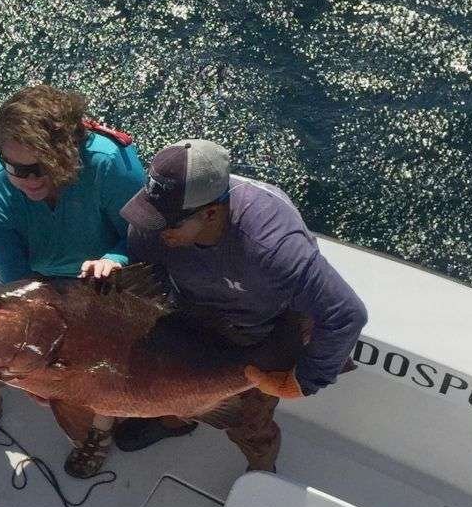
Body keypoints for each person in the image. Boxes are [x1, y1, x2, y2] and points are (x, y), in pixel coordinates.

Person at [117, 139, 368, 472]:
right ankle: (175, 421)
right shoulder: (152, 227)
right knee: (159, 382)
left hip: (266, 326)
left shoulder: (270, 247)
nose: (152, 227)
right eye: (149, 214)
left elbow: (346, 313)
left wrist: (304, 381)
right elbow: (148, 281)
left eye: (168, 222)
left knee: (249, 422)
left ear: (210, 212)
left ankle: (261, 466)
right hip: (195, 313)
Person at [0, 84, 148, 478]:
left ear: (71, 152)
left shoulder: (112, 164)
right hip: (30, 279)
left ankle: (100, 429)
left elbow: (142, 236)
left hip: (102, 280)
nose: (26, 179)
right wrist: (38, 373)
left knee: (108, 355)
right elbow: (19, 279)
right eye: (14, 166)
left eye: (41, 168)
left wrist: (115, 259)